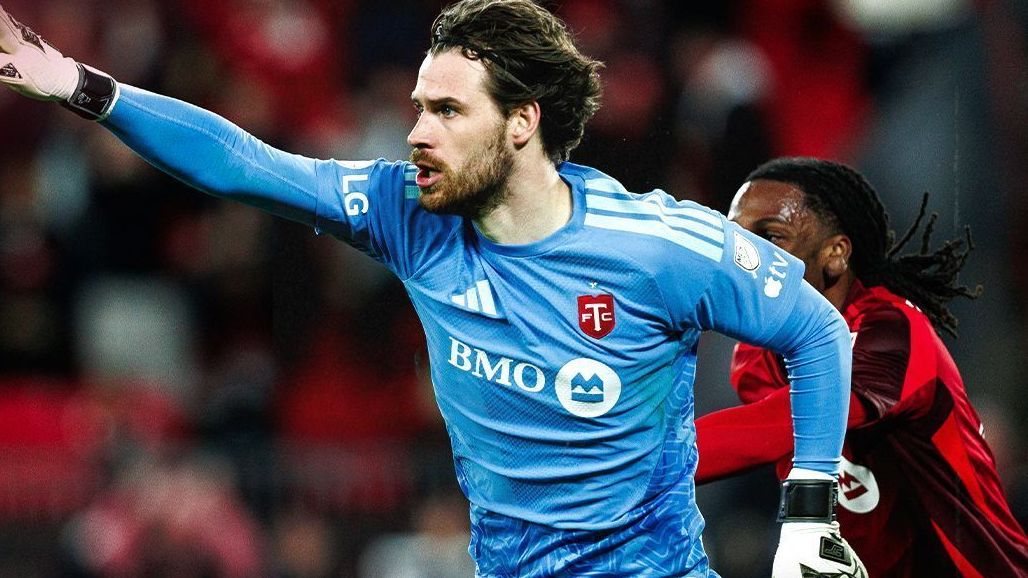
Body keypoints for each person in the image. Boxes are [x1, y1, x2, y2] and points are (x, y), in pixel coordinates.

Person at [0, 2, 866, 576]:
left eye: (447, 112)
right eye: (419, 106)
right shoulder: (406, 214)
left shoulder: (658, 247)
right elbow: (245, 164)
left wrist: (807, 517)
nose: (416, 132)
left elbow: (819, 333)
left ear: (522, 122)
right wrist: (80, 85)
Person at [695, 157, 1028, 577]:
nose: (746, 260)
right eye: (737, 241)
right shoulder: (755, 358)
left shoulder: (892, 335)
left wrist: (640, 454)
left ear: (835, 254)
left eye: (772, 237)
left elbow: (789, 422)